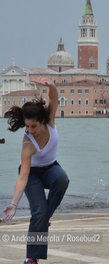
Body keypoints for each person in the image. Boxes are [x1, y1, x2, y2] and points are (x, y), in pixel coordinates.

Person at [2, 78, 70, 264]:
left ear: (43, 121)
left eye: (34, 126)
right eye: (27, 126)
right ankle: (32, 257)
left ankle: (43, 219)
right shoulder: (27, 144)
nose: (30, 130)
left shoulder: (50, 120)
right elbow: (23, 176)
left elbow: (54, 99)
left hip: (50, 168)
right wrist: (14, 204)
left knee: (62, 179)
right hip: (32, 174)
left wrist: (51, 86)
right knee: (38, 213)